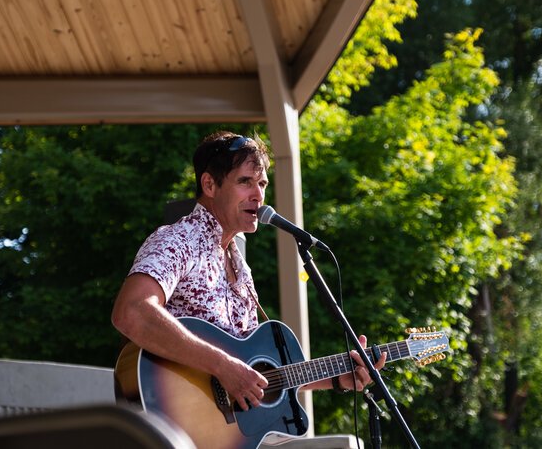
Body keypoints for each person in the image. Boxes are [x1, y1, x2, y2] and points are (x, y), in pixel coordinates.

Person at [111, 131, 386, 412]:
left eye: (262, 183)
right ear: (209, 184)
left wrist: (337, 379)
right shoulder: (178, 240)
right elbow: (131, 312)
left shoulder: (240, 268)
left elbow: (257, 375)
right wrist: (222, 365)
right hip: (170, 423)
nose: (259, 195)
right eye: (245, 182)